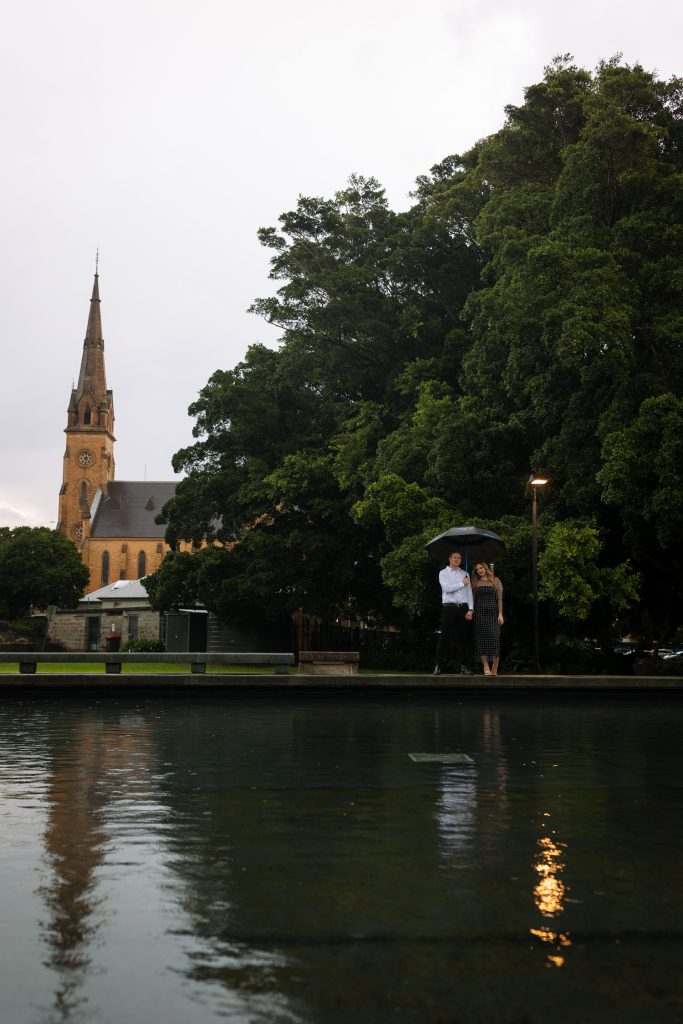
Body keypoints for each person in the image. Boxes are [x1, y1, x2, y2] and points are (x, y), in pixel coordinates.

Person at [434, 551, 473, 674]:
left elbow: (469, 592)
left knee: (464, 638)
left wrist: (471, 609)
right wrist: (462, 583)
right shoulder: (443, 573)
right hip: (449, 608)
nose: (457, 559)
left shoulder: (465, 573)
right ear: (449, 558)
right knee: (445, 637)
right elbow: (447, 589)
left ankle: (463, 666)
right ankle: (439, 665)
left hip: (463, 608)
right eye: (455, 557)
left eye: (459, 558)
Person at [471, 561, 504, 676]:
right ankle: (486, 667)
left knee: (495, 639)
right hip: (479, 614)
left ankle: (495, 666)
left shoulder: (496, 580)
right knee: (482, 640)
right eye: (477, 569)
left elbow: (499, 599)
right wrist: (471, 611)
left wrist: (500, 614)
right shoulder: (475, 583)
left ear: (485, 568)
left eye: (481, 568)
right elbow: (472, 600)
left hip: (493, 613)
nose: (479, 570)